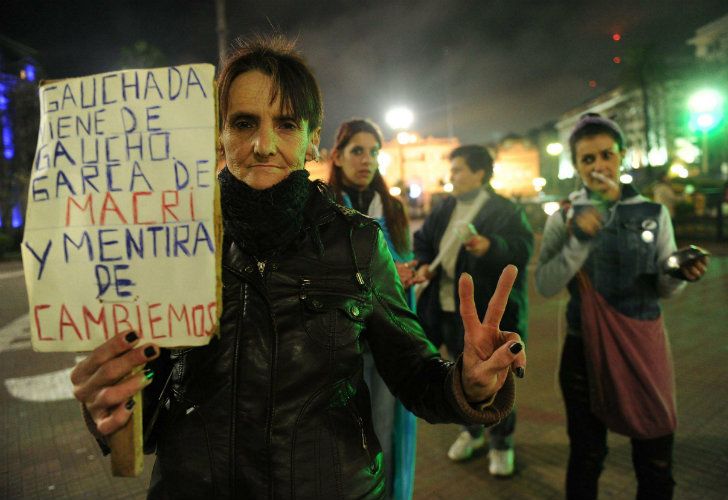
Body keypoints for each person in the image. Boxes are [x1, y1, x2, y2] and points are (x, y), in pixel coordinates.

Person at [70, 36, 527, 499]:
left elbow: (413, 373)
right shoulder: (171, 241)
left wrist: (468, 383)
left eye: (286, 124)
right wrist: (111, 400)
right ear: (219, 134)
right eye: (244, 122)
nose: (263, 144)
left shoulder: (359, 242)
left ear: (312, 139)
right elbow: (145, 396)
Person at [535, 113, 708, 499]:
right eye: (588, 159)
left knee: (655, 457)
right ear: (576, 165)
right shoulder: (564, 216)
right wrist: (579, 239)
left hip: (643, 345)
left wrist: (679, 272)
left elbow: (662, 290)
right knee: (587, 455)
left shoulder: (652, 212)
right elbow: (545, 283)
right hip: (583, 350)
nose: (599, 166)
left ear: (622, 156)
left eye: (606, 155)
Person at [411, 145, 533, 476]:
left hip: (489, 316)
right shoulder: (445, 206)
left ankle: (501, 443)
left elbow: (522, 249)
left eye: (459, 170)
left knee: (498, 378)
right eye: (452, 171)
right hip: (447, 311)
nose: (452, 177)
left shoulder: (504, 209)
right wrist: (423, 263)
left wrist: (490, 246)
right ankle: (471, 431)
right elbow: (423, 240)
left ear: (480, 172)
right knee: (460, 376)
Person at [327, 118, 417, 499]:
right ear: (338, 155)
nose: (367, 160)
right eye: (357, 151)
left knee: (383, 428)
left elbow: (406, 260)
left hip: (385, 342)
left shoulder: (393, 210)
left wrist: (404, 275)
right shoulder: (324, 206)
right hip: (339, 343)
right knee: (339, 432)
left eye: (374, 152)